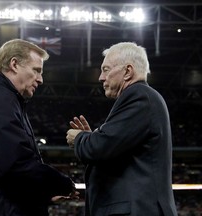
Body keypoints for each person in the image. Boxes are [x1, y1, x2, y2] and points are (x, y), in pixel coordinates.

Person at [0, 39, 78, 216]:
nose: (40, 79)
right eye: (36, 70)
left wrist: (42, 194)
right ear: (14, 64)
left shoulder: (2, 98)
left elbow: (4, 175)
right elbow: (17, 164)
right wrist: (61, 183)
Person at [66, 42, 178, 216]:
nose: (100, 77)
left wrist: (80, 138)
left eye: (106, 69)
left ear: (127, 72)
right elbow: (111, 150)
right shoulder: (142, 98)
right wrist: (89, 138)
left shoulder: (139, 96)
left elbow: (99, 147)